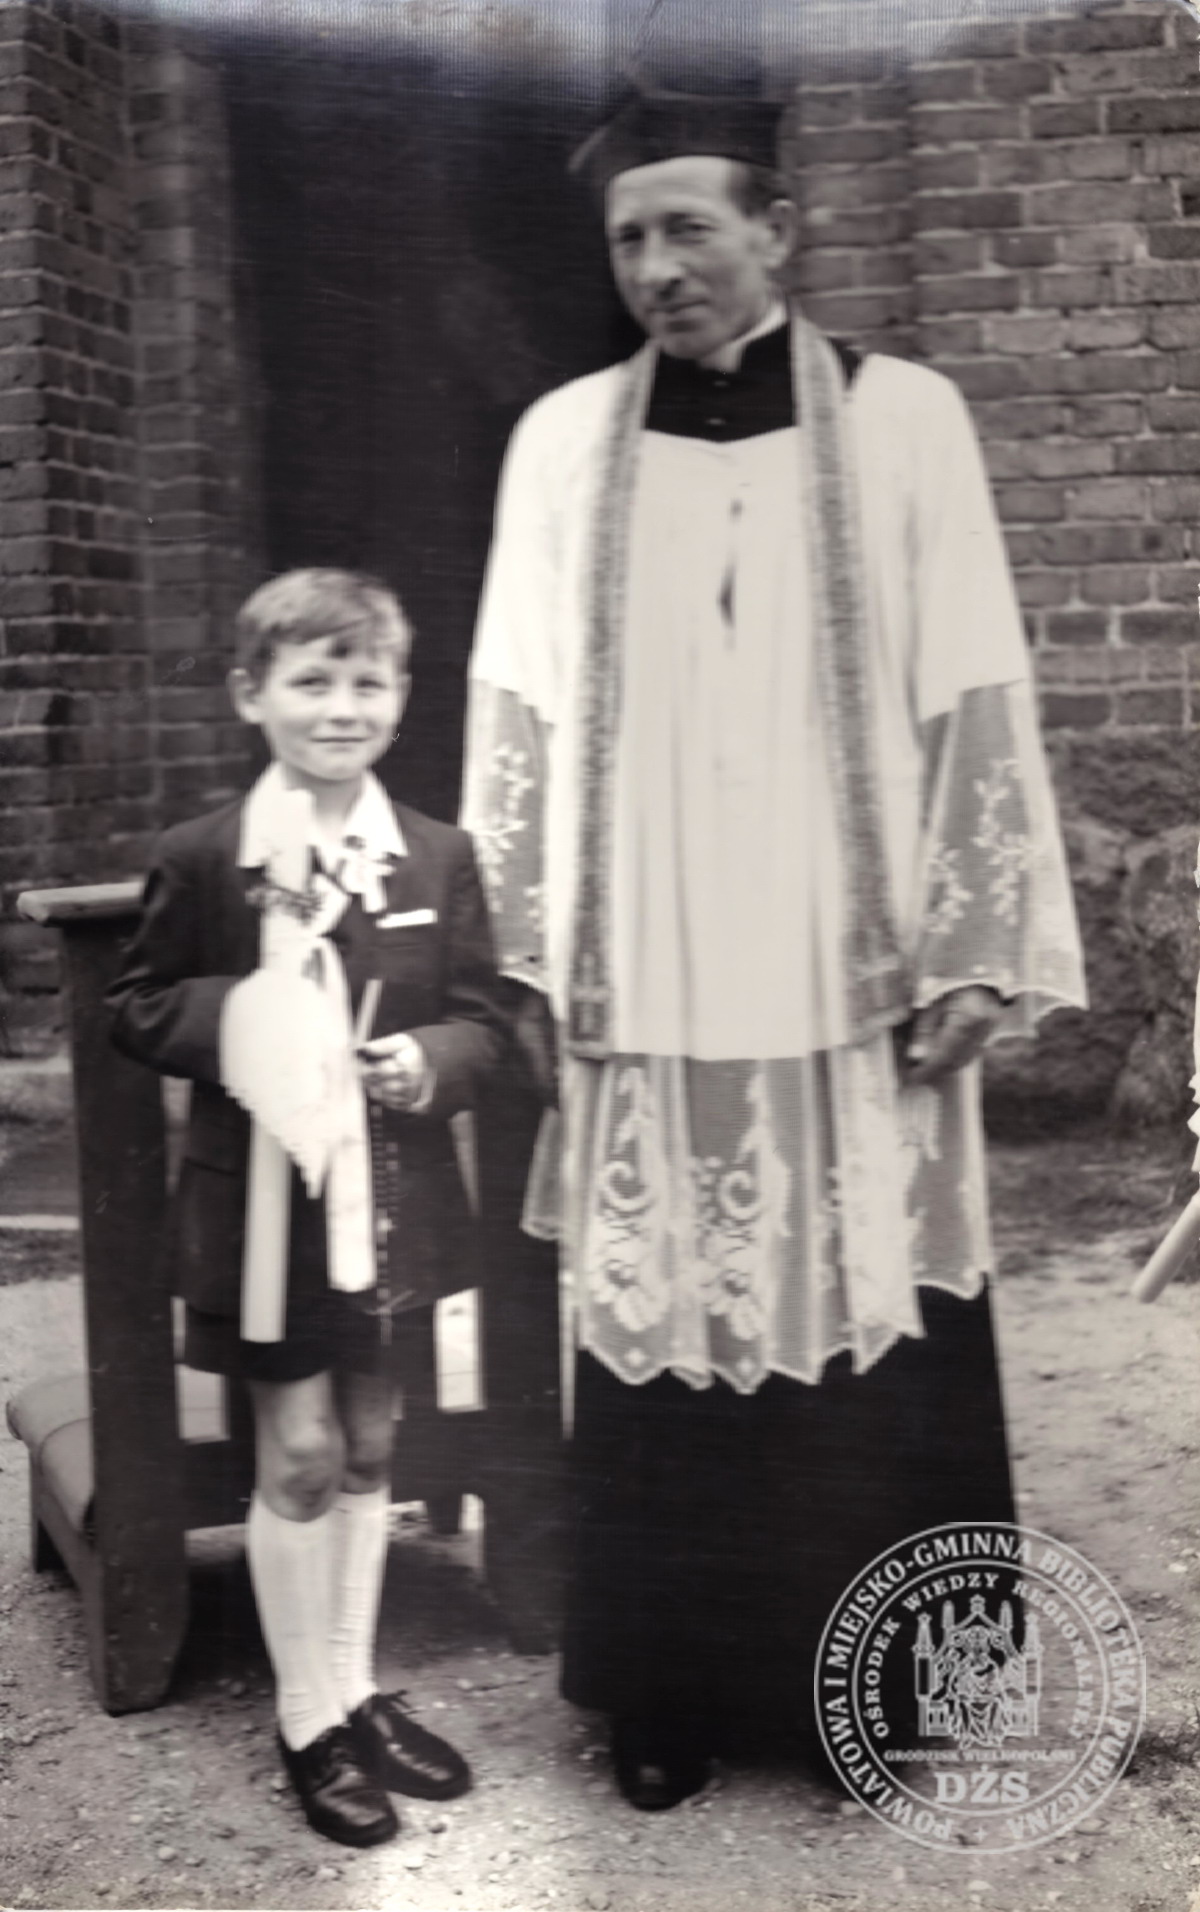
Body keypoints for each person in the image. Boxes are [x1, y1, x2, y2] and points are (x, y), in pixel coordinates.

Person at [460, 92, 1086, 1811]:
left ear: (781, 229)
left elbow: (974, 682)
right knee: (665, 1322)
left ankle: (897, 1699)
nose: (657, 267)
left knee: (881, 1311)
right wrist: (525, 956)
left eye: (690, 228)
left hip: (850, 958)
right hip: (650, 957)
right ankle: (670, 1692)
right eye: (629, 240)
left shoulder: (908, 421)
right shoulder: (562, 443)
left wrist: (974, 943)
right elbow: (515, 705)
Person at [107, 568, 507, 1847]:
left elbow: (487, 1018)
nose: (342, 707)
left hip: (390, 1204)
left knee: (375, 1447)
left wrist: (427, 1059)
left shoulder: (433, 853)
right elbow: (139, 1004)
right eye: (312, 680)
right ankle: (304, 1717)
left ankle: (354, 1685)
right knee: (299, 1457)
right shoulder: (205, 855)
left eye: (367, 681)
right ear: (251, 694)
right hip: (261, 1217)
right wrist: (257, 1016)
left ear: (401, 695)